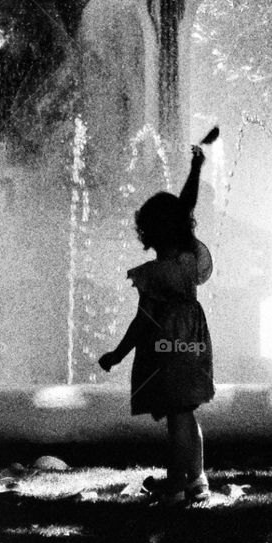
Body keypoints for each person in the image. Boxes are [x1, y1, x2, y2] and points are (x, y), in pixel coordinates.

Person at [98, 145, 214, 505]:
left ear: (149, 231)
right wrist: (196, 168)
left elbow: (142, 322)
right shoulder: (188, 261)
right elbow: (186, 205)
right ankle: (197, 480)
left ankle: (176, 484)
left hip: (167, 345)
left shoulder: (156, 274)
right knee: (186, 412)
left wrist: (117, 354)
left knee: (177, 416)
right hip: (194, 340)